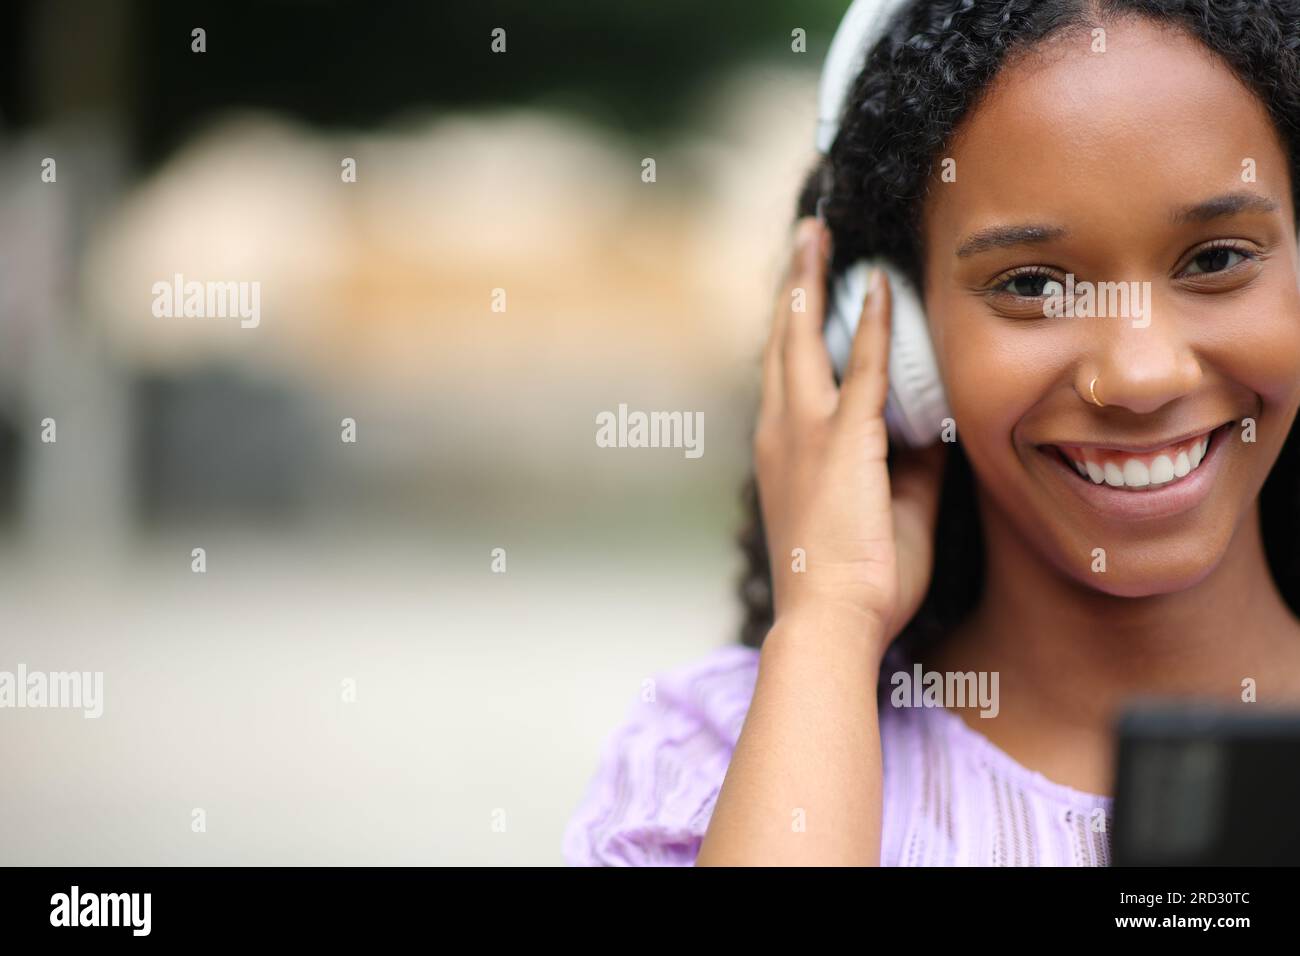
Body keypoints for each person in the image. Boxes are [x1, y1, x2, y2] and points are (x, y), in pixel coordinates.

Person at [564, 0, 1300, 866]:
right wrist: (830, 620)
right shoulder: (713, 763)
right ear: (900, 340)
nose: (1141, 375)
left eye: (1216, 260)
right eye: (1032, 283)